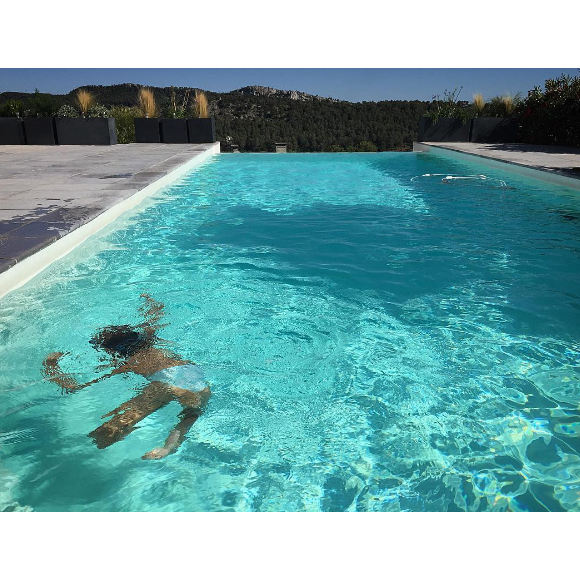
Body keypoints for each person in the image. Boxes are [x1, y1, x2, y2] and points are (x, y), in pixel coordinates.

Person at [41, 294, 210, 460]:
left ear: (112, 352)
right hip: (191, 371)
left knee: (104, 435)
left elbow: (75, 386)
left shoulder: (125, 364)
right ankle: (168, 447)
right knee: (192, 413)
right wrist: (149, 300)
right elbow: (157, 315)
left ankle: (164, 447)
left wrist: (50, 365)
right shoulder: (149, 340)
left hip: (164, 383)